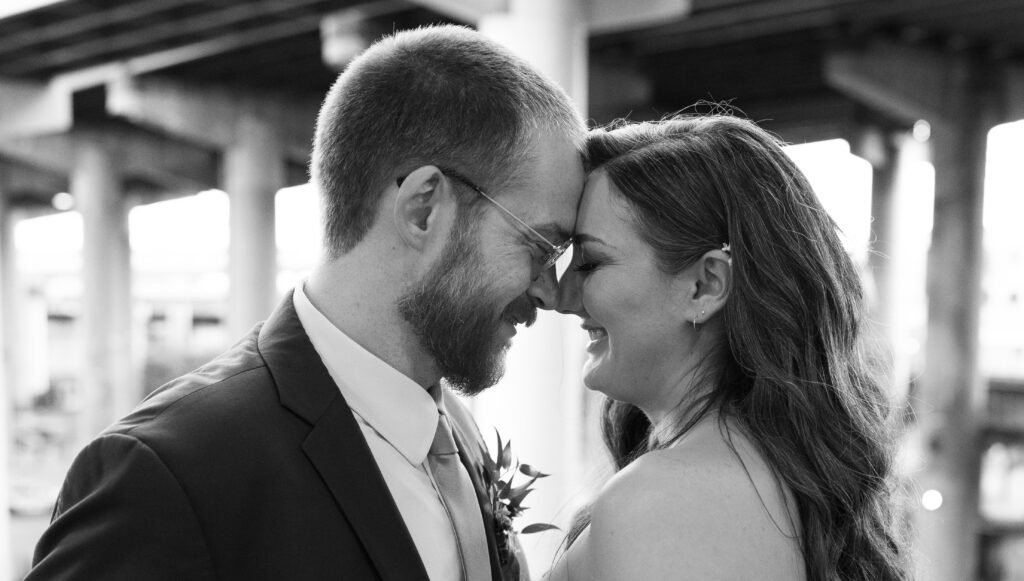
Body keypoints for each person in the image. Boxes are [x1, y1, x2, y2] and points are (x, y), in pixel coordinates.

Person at [27, 25, 585, 581]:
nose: (551, 292)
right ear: (424, 209)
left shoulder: (452, 431)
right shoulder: (165, 476)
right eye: (540, 245)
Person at [547, 115, 910, 581]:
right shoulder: (776, 480)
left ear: (705, 285)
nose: (559, 296)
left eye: (591, 262)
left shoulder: (666, 501)